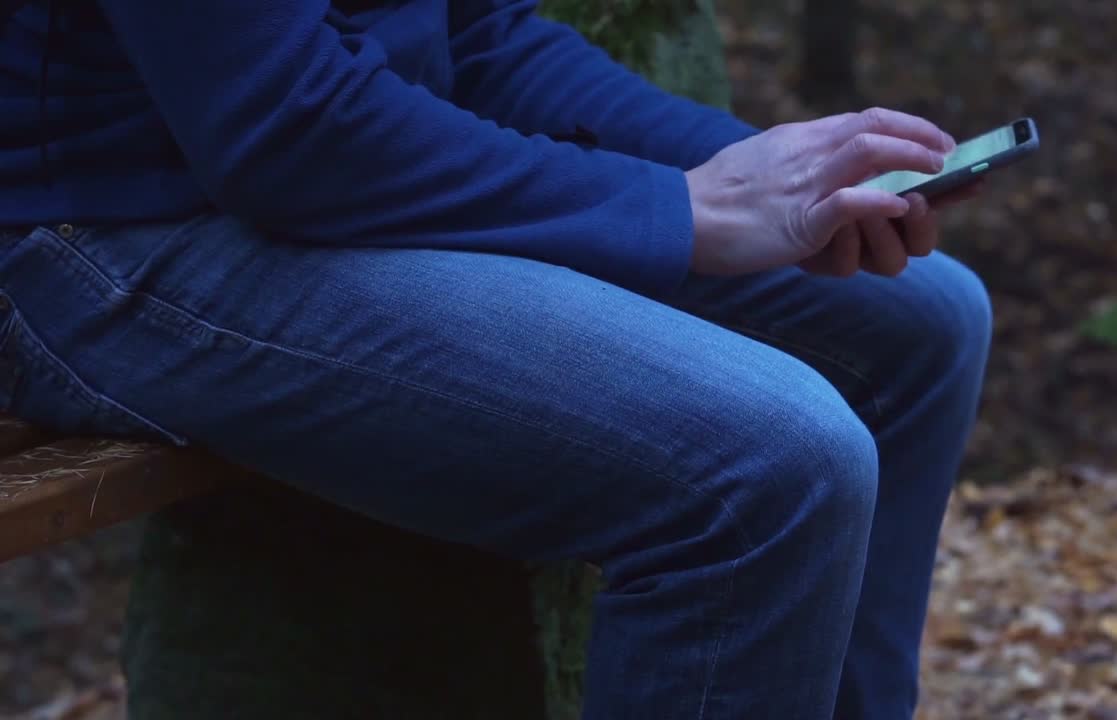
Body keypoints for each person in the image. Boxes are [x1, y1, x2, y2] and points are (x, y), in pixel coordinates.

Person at [0, 1, 992, 718]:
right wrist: (685, 211)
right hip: (101, 233)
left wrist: (774, 174)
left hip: (294, 171)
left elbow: (471, 35)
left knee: (917, 315)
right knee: (772, 464)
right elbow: (282, 126)